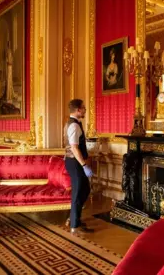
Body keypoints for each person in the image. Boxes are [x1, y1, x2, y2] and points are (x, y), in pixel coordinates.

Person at [64, 99, 94, 233]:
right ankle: (74, 225)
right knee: (77, 192)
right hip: (75, 162)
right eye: (83, 108)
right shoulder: (74, 126)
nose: (85, 110)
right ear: (78, 110)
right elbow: (74, 148)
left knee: (85, 189)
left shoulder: (74, 123)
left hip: (75, 162)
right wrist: (84, 165)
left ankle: (73, 218)